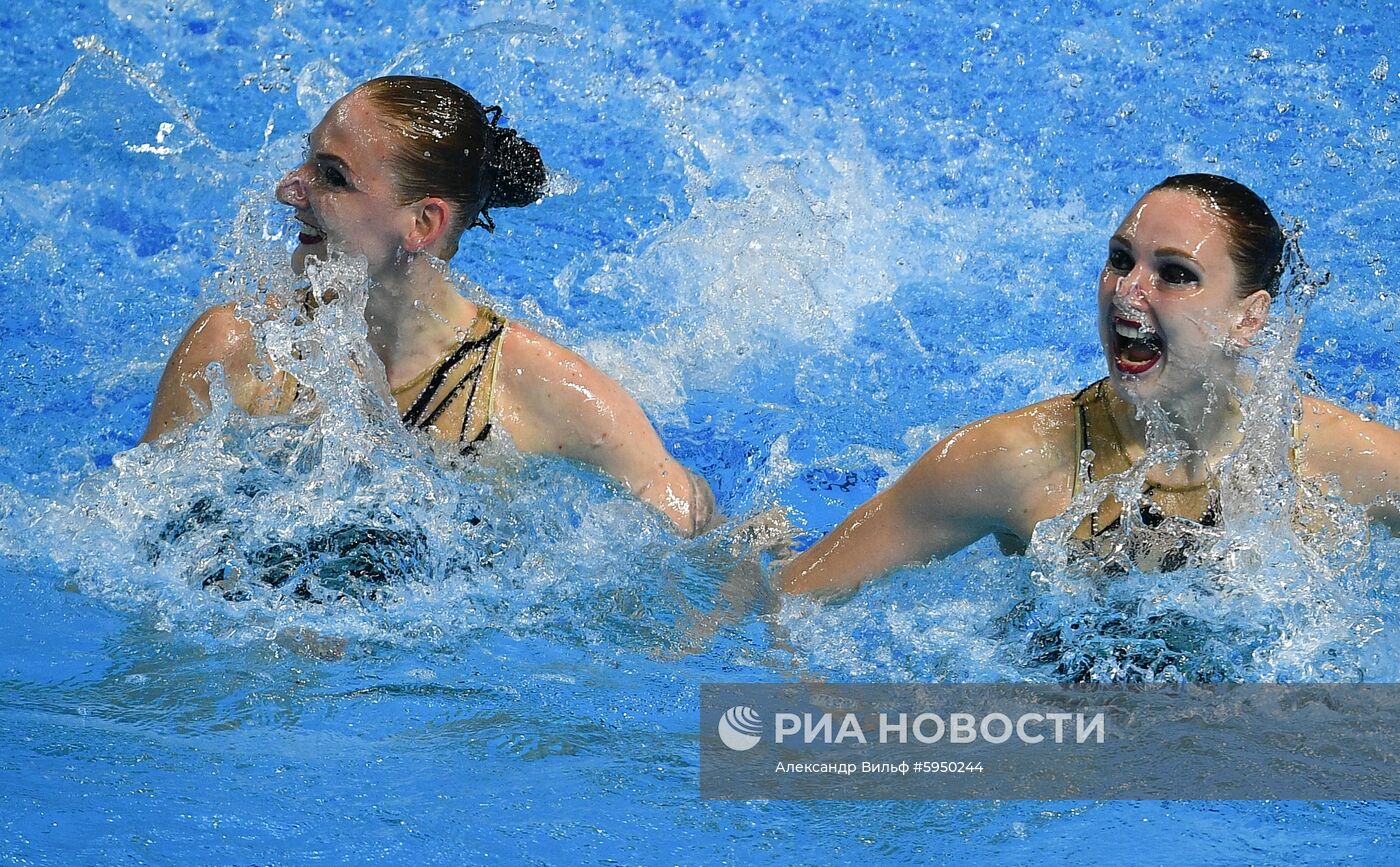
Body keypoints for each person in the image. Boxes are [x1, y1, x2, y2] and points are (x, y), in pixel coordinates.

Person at [142, 76, 714, 537]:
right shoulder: (237, 348)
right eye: (306, 161)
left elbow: (689, 524)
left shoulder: (537, 388)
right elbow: (136, 528)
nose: (289, 189)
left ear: (423, 223)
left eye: (332, 177)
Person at [781, 173, 1400, 596]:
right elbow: (796, 598)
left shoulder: (1341, 460)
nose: (1128, 292)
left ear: (1248, 318)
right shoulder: (1012, 460)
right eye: (1121, 259)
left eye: (1175, 274)